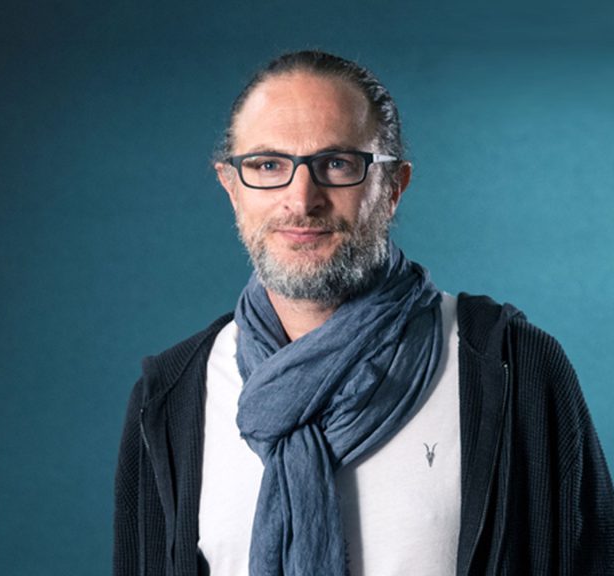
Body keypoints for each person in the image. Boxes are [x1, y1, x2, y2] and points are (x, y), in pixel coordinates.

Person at [112, 50, 614, 576]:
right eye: (267, 165)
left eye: (336, 164)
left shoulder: (514, 371)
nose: (301, 199)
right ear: (231, 187)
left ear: (393, 187)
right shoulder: (171, 399)